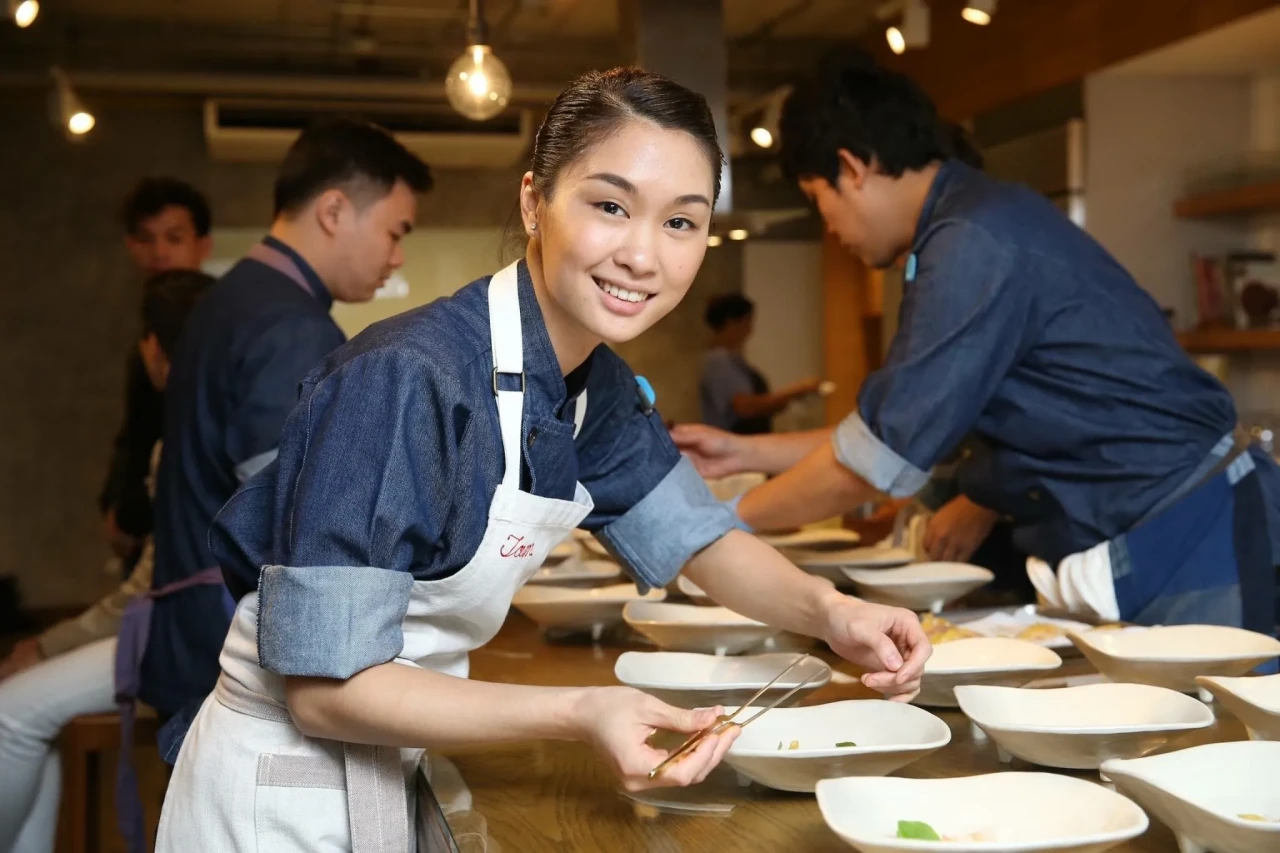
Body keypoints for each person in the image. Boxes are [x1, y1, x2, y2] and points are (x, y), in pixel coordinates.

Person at [154, 68, 930, 852]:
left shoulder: (595, 385)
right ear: (534, 201)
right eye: (610, 206)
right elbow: (327, 690)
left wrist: (835, 614)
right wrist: (579, 711)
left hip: (394, 757)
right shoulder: (404, 376)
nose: (643, 255)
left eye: (681, 223)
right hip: (279, 796)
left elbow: (699, 539)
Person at [674, 50, 1280, 633]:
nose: (831, 230)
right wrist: (746, 454)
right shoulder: (967, 224)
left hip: (1193, 529)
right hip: (1153, 526)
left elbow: (877, 461)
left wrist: (713, 532)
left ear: (852, 168)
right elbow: (901, 432)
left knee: (1220, 730)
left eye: (819, 201)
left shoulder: (972, 241)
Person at [124, 120, 434, 775]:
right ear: (333, 210)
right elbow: (302, 526)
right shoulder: (288, 327)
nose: (397, 255)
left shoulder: (233, 294)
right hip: (226, 644)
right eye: (396, 231)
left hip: (187, 624)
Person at [0, 270, 212, 853]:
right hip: (202, 631)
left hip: (183, 635)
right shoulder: (216, 423)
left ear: (152, 347)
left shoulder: (184, 439)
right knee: (27, 721)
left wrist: (47, 644)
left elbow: (147, 589)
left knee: (9, 715)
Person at [100, 179, 212, 572]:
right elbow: (138, 432)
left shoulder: (217, 325)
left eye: (174, 237)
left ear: (203, 244)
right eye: (146, 238)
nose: (160, 252)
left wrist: (131, 513)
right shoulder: (149, 326)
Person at [699, 293, 822, 433]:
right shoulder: (718, 363)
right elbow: (745, 407)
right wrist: (794, 391)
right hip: (732, 443)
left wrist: (783, 400)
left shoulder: (734, 361)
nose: (750, 331)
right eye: (747, 324)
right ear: (731, 323)